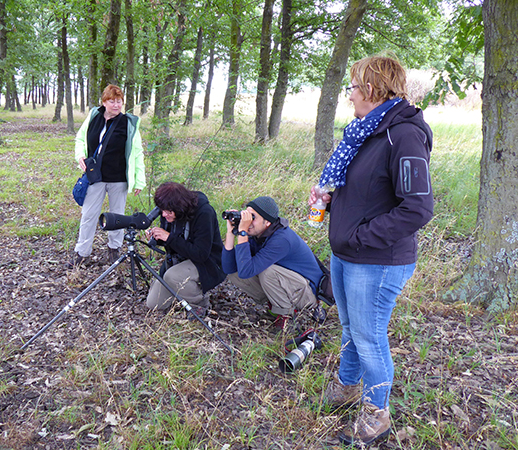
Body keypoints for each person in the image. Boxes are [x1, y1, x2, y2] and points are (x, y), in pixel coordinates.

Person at [309, 55, 433, 447]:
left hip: (376, 259)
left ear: (373, 90)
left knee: (369, 336)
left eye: (353, 87)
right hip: (347, 253)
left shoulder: (404, 134)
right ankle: (347, 388)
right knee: (350, 329)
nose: (349, 96)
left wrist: (360, 236)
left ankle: (376, 414)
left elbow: (417, 208)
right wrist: (330, 198)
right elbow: (367, 190)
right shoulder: (363, 131)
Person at [221, 196, 325, 333]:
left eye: (253, 217)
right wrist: (231, 233)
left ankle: (286, 317)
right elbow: (229, 268)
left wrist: (243, 233)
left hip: (307, 294)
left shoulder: (281, 239)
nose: (248, 222)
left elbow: (247, 271)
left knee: (268, 272)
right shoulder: (258, 234)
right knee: (235, 272)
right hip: (290, 286)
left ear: (268, 222)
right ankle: (275, 306)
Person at [72, 84, 145, 266]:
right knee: (88, 214)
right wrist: (80, 155)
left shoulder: (128, 123)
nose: (116, 105)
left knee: (117, 216)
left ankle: (114, 249)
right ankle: (82, 253)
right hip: (95, 176)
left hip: (118, 178)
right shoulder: (94, 116)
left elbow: (137, 152)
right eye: (112, 101)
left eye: (119, 101)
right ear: (104, 102)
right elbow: (80, 138)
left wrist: (139, 180)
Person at [146, 182, 225, 318]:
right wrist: (158, 237)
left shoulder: (204, 212)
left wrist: (169, 238)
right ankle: (182, 292)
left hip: (207, 262)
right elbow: (171, 238)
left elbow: (201, 254)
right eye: (162, 210)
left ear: (180, 207)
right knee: (153, 304)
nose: (164, 215)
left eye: (168, 212)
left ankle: (199, 303)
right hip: (178, 260)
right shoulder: (168, 212)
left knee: (172, 277)